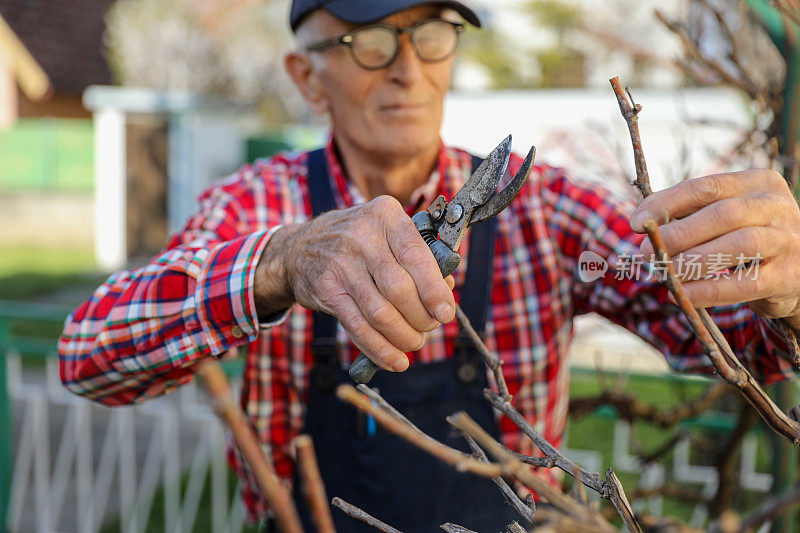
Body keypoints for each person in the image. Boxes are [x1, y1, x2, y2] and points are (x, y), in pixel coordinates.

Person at [59, 0, 800, 530]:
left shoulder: (543, 209)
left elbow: (741, 342)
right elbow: (85, 355)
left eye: (433, 33)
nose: (409, 69)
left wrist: (783, 286)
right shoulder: (257, 203)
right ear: (307, 76)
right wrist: (279, 263)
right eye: (370, 41)